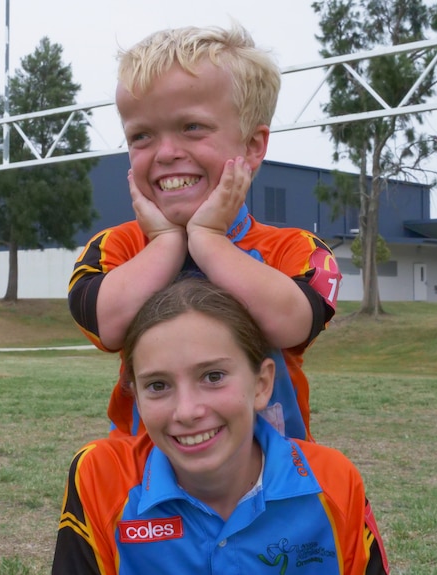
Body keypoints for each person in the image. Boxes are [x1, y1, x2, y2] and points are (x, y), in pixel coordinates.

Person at [68, 23, 341, 441]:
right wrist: (166, 242)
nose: (165, 153)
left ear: (252, 146)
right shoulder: (114, 248)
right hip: (143, 486)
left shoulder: (295, 249)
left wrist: (209, 238)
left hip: (275, 487)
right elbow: (107, 323)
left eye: (192, 127)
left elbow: (292, 323)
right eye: (141, 135)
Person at [52, 277, 389, 574]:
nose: (186, 411)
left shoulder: (334, 481)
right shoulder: (101, 477)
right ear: (136, 396)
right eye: (158, 385)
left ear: (261, 384)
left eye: (213, 377)